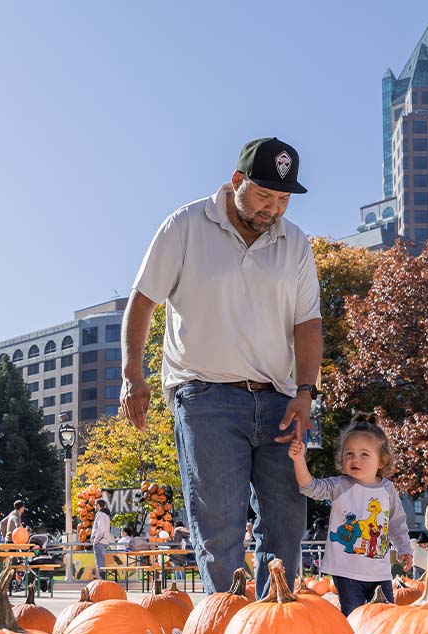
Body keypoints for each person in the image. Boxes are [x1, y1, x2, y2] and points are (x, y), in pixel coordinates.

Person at [121, 137, 322, 597]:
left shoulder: (295, 244)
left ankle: (275, 626)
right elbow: (143, 301)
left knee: (286, 523)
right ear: (237, 181)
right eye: (264, 195)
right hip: (205, 397)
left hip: (279, 400)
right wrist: (134, 376)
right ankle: (227, 625)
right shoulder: (186, 225)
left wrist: (306, 390)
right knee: (219, 526)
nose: (274, 208)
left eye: (283, 199)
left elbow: (308, 324)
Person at [289, 413, 413, 616]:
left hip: (379, 572)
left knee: (385, 618)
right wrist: (298, 460)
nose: (355, 459)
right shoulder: (339, 486)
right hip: (347, 572)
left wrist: (404, 548)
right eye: (349, 454)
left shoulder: (387, 489)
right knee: (354, 618)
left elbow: (397, 523)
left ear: (381, 461)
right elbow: (309, 486)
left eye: (364, 454)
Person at [91, 499, 113, 579]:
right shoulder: (106, 515)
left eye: (95, 505)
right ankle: (102, 580)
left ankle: (101, 581)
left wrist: (95, 540)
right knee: (102, 563)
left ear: (98, 505)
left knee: (99, 563)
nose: (94, 507)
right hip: (104, 541)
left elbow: (101, 529)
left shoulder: (100, 515)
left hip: (99, 542)